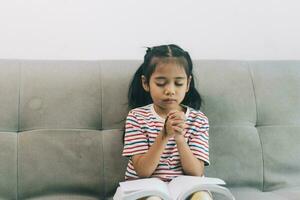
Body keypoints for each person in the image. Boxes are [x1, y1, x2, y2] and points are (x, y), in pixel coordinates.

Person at [122, 44, 212, 200]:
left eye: (178, 83)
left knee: (202, 197)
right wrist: (164, 135)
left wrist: (179, 137)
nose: (170, 90)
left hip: (186, 191)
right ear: (145, 83)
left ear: (188, 84)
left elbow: (196, 172)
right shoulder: (136, 117)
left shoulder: (198, 120)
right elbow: (143, 172)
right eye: (161, 83)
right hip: (145, 190)